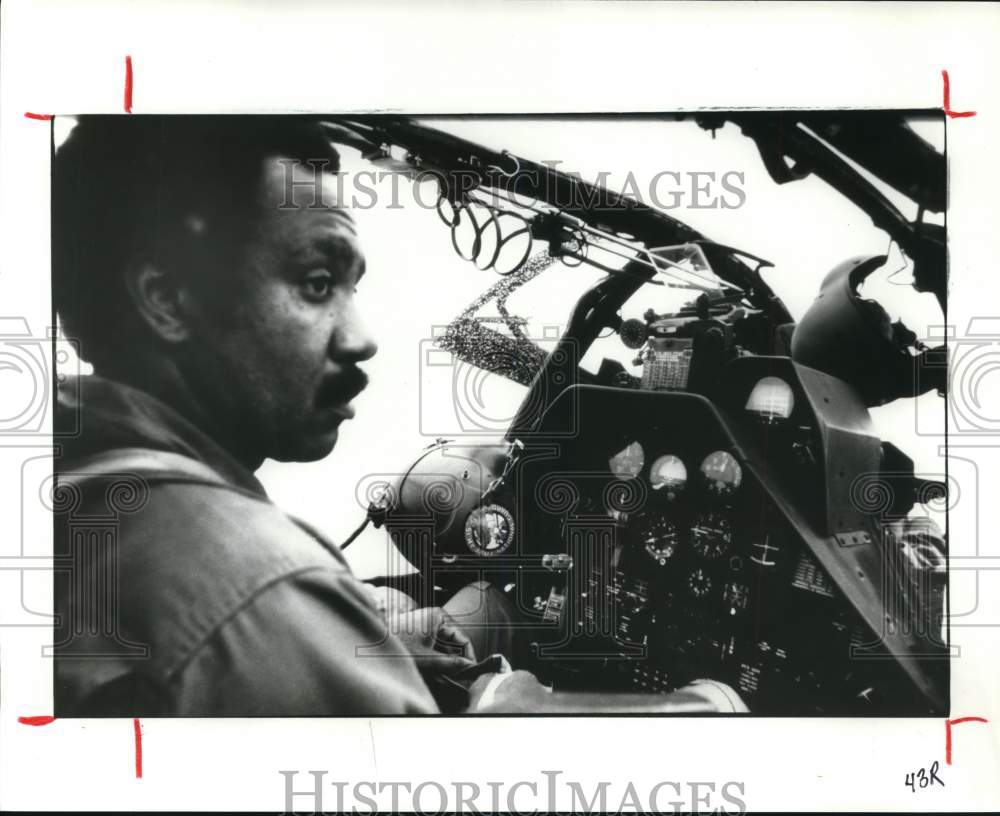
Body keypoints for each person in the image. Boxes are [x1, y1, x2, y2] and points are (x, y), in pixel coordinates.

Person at [52, 116, 745, 716]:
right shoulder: (264, 591)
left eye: (350, 287)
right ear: (165, 300)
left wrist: (361, 639)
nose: (361, 338)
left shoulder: (74, 469)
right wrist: (507, 701)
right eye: (316, 283)